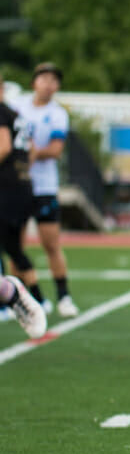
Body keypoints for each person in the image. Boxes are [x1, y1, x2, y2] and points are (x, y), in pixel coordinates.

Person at [12, 62, 79, 317]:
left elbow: (55, 150)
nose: (49, 84)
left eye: (54, 80)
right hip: (18, 187)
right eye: (44, 78)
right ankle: (23, 301)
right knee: (14, 245)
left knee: (50, 243)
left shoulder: (58, 113)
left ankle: (64, 297)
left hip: (44, 187)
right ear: (34, 82)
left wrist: (32, 153)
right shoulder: (18, 106)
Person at [0, 72, 40, 326]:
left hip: (6, 188)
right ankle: (29, 297)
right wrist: (23, 171)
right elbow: (31, 149)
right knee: (12, 245)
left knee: (9, 245)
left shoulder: (2, 112)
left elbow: (3, 147)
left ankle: (14, 296)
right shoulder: (15, 114)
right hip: (21, 185)